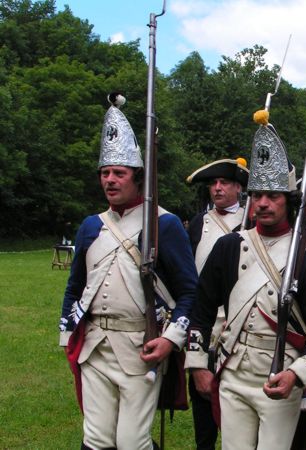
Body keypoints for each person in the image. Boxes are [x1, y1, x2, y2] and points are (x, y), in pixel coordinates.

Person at [185, 119, 306, 450]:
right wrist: (197, 364)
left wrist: (298, 373)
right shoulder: (229, 247)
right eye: (256, 195)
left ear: (289, 200)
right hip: (233, 370)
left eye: (272, 196)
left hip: (281, 375)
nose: (262, 203)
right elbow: (200, 309)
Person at [59, 94, 197, 450]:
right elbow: (75, 286)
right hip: (94, 347)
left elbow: (189, 292)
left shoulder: (164, 224)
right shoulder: (91, 225)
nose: (110, 180)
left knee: (132, 441)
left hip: (141, 346)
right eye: (105, 173)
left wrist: (170, 339)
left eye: (119, 173)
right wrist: (67, 334)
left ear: (138, 178)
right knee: (96, 438)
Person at [185, 158, 249, 450]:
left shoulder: (252, 220)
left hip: (241, 323)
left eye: (224, 183)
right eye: (213, 183)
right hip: (205, 323)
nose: (218, 188)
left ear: (239, 187)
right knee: (203, 409)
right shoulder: (200, 222)